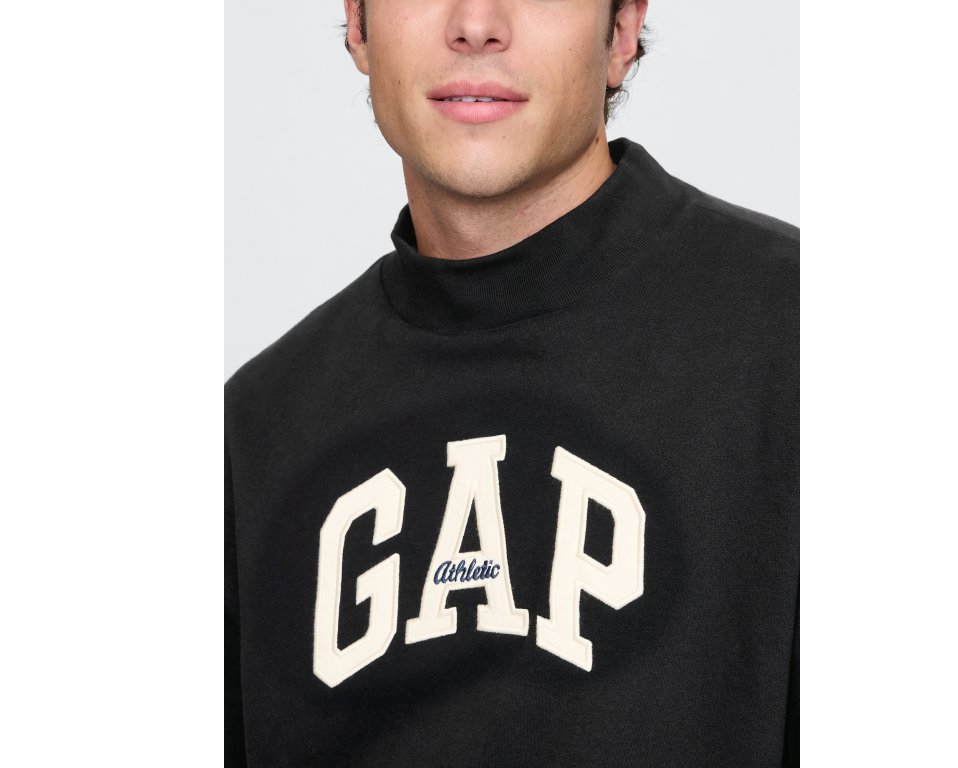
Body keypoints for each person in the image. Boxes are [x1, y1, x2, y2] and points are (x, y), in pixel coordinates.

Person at [225, 0, 798, 764]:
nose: (476, 22)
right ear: (358, 25)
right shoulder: (252, 437)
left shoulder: (797, 340)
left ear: (621, 32)